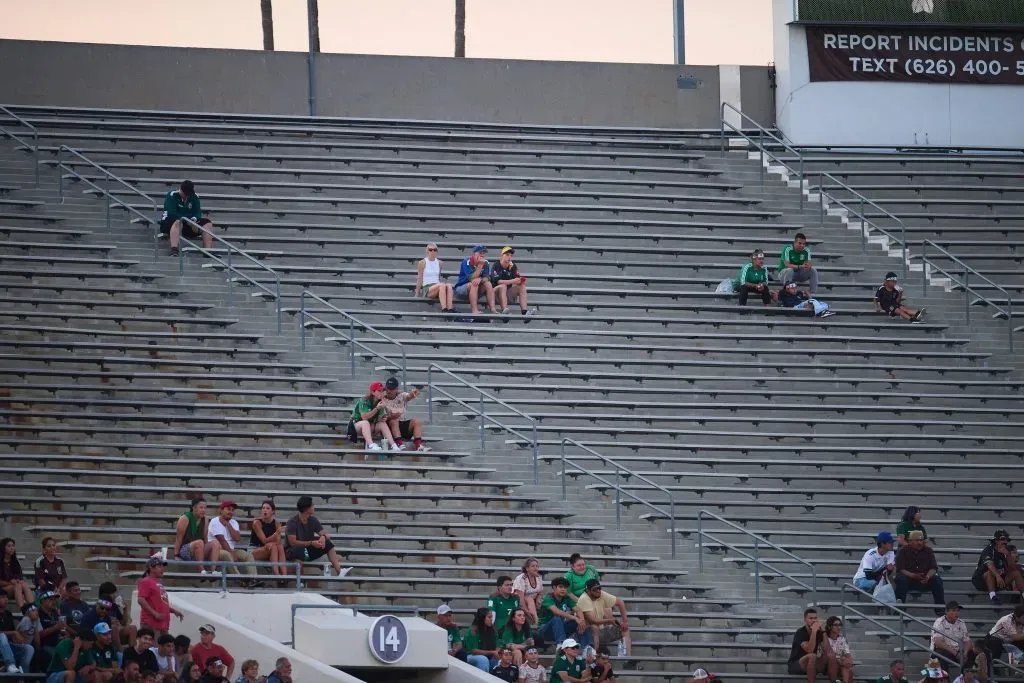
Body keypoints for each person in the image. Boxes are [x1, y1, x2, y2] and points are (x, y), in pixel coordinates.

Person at [284, 496, 348, 577]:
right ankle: (300, 583)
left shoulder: (313, 520)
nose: (314, 506)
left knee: (328, 543)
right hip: (293, 551)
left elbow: (326, 535)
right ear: (307, 508)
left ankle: (339, 571)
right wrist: (311, 543)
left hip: (306, 551)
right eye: (312, 505)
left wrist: (323, 537)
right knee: (298, 551)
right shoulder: (292, 522)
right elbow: (293, 543)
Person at [576, 580, 630, 657]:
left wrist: (625, 622)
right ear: (588, 591)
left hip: (601, 630)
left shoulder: (601, 594)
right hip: (586, 632)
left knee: (625, 629)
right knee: (594, 627)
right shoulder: (584, 598)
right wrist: (609, 620)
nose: (598, 591)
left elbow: (620, 602)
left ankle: (628, 659)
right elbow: (592, 620)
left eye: (599, 588)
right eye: (595, 589)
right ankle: (594, 657)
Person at [895, 530, 945, 613]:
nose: (920, 543)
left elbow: (933, 568)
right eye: (917, 540)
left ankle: (940, 609)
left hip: (924, 579)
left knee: (937, 580)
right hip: (908, 580)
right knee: (901, 579)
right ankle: (900, 608)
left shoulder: (928, 550)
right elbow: (900, 569)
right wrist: (912, 575)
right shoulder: (903, 551)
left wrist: (928, 576)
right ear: (910, 541)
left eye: (921, 540)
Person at [161, 181, 214, 257]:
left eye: (188, 193)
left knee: (207, 223)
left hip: (188, 222)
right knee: (178, 221)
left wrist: (194, 220)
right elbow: (171, 213)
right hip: (169, 222)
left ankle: (207, 251)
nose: (186, 196)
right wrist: (187, 220)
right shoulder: (172, 195)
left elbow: (197, 212)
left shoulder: (194, 196)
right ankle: (174, 249)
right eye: (185, 193)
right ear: (181, 190)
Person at [206, 501, 256, 580]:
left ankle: (253, 579)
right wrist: (231, 554)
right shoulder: (214, 521)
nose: (231, 512)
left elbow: (237, 538)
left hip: (231, 550)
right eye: (228, 509)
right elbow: (222, 540)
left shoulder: (234, 522)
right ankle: (240, 580)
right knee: (227, 555)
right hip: (216, 551)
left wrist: (228, 524)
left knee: (247, 555)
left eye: (232, 510)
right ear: (221, 510)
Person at [971, 530, 1024, 604]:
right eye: (1002, 539)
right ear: (996, 540)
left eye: (1006, 540)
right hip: (981, 581)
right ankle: (993, 596)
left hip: (997, 581)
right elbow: (989, 564)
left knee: (1016, 573)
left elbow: (1012, 568)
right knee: (990, 571)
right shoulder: (989, 550)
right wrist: (998, 576)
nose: (1005, 542)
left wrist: (1008, 555)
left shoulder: (1005, 551)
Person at [787, 607, 839, 683]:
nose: (814, 620)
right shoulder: (800, 632)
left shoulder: (819, 632)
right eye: (810, 618)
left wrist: (823, 631)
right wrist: (814, 631)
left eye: (815, 618)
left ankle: (834, 681)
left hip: (812, 664)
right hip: (796, 665)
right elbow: (809, 650)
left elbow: (827, 649)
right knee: (812, 655)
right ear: (805, 620)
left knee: (831, 655)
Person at [346, 381, 400, 452]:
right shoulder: (364, 400)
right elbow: (364, 417)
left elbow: (378, 419)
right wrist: (377, 408)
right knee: (365, 422)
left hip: (369, 426)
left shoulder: (380, 401)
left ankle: (393, 445)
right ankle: (371, 445)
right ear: (373, 392)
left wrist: (384, 417)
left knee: (382, 424)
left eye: (382, 390)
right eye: (379, 391)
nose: (381, 392)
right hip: (355, 425)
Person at [381, 377, 430, 452]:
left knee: (417, 421)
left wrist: (415, 391)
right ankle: (399, 444)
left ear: (396, 389)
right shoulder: (382, 398)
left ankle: (419, 446)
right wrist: (391, 416)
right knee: (394, 421)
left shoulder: (401, 395)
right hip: (389, 426)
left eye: (392, 389)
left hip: (402, 423)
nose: (389, 391)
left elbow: (410, 396)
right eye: (388, 388)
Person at [137, 558, 183, 636]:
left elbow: (161, 603)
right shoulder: (146, 581)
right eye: (159, 566)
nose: (162, 569)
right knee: (154, 647)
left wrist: (173, 610)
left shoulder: (158, 583)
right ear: (151, 568)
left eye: (163, 566)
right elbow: (141, 600)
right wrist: (155, 614)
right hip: (151, 623)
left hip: (163, 624)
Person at [537, 578, 587, 650]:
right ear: (554, 588)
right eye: (561, 587)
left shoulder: (566, 598)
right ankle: (561, 645)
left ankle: (585, 648)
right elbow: (556, 612)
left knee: (579, 622)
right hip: (544, 630)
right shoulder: (548, 598)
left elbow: (578, 609)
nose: (563, 589)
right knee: (557, 618)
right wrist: (575, 618)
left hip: (560, 629)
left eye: (565, 588)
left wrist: (581, 620)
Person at [454, 245, 497, 316]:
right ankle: (474, 310)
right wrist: (480, 266)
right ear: (474, 254)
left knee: (488, 283)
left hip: (476, 291)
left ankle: (493, 309)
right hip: (461, 289)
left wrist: (480, 279)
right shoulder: (466, 262)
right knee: (474, 283)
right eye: (480, 253)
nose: (482, 255)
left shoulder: (486, 263)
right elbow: (471, 278)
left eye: (483, 253)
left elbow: (488, 277)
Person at [247, 500, 286, 577]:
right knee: (274, 547)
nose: (265, 510)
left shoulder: (276, 523)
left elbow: (278, 542)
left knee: (279, 547)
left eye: (268, 508)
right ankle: (277, 575)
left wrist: (273, 541)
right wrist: (276, 533)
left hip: (269, 548)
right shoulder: (257, 522)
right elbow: (264, 540)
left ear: (273, 511)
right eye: (263, 508)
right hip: (255, 548)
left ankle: (285, 575)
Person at [491, 246, 534, 316]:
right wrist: (513, 280)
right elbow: (498, 281)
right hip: (494, 294)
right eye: (507, 255)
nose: (509, 257)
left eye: (511, 255)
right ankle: (504, 311)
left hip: (507, 293)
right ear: (502, 255)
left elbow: (517, 279)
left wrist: (520, 280)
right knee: (503, 286)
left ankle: (524, 311)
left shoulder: (512, 266)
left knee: (522, 286)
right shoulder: (496, 265)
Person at [174, 498, 211, 576]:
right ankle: (201, 570)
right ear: (194, 508)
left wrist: (208, 548)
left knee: (215, 543)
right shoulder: (185, 518)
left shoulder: (206, 519)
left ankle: (213, 570)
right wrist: (176, 554)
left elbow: (205, 536)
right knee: (199, 542)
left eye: (205, 508)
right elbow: (178, 537)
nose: (203, 510)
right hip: (185, 549)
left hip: (200, 548)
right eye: (201, 507)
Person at [416, 243, 456, 313]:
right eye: (430, 250)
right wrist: (417, 293)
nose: (432, 252)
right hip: (428, 288)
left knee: (449, 285)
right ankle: (444, 309)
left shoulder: (440, 263)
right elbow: (420, 278)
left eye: (435, 250)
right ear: (427, 251)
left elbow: (438, 277)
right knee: (442, 285)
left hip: (438, 286)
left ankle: (450, 309)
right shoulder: (422, 262)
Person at [932, 601, 971, 671]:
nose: (956, 613)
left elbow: (967, 641)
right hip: (945, 650)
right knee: (940, 656)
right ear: (946, 612)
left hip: (959, 651)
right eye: (953, 611)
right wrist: (956, 654)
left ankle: (968, 679)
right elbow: (938, 642)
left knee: (975, 653)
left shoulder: (961, 623)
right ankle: (944, 680)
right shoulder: (939, 622)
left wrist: (964, 654)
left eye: (957, 611)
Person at [0, 590, 33, 674]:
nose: (6, 599)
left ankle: (23, 674)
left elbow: (13, 632)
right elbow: (9, 633)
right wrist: (14, 633)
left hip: (8, 646)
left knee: (28, 648)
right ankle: (10, 664)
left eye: (6, 597)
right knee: (2, 636)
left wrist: (20, 637)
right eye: (3, 597)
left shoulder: (8, 614)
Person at [0, 538, 34, 611]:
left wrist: (19, 580)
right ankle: (23, 610)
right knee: (17, 586)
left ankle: (33, 607)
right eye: (9, 546)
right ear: (3, 547)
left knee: (24, 584)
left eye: (13, 546)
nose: (12, 548)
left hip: (15, 588)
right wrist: (10, 583)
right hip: (3, 590)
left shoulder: (14, 561)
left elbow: (19, 576)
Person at [462, 607, 498, 672]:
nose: (491, 619)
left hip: (489, 655)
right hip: (470, 656)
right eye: (489, 617)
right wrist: (492, 652)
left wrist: (498, 651)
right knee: (482, 659)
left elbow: (497, 645)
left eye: (492, 617)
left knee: (501, 659)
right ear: (482, 618)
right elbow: (474, 651)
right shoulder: (472, 630)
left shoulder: (492, 629)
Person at [513, 558, 545, 626]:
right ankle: (536, 620)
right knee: (529, 599)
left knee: (543, 601)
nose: (536, 568)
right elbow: (521, 599)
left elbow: (541, 591)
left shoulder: (538, 577)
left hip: (533, 599)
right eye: (533, 566)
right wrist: (527, 612)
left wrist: (539, 599)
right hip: (518, 599)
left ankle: (543, 621)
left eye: (537, 566)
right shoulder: (521, 578)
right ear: (527, 568)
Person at [825, 616, 854, 683]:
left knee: (849, 669)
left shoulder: (842, 639)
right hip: (827, 665)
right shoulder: (825, 638)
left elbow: (848, 656)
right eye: (836, 625)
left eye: (840, 625)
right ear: (829, 627)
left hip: (840, 665)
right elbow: (827, 655)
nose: (839, 627)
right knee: (845, 666)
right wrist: (841, 660)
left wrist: (848, 661)